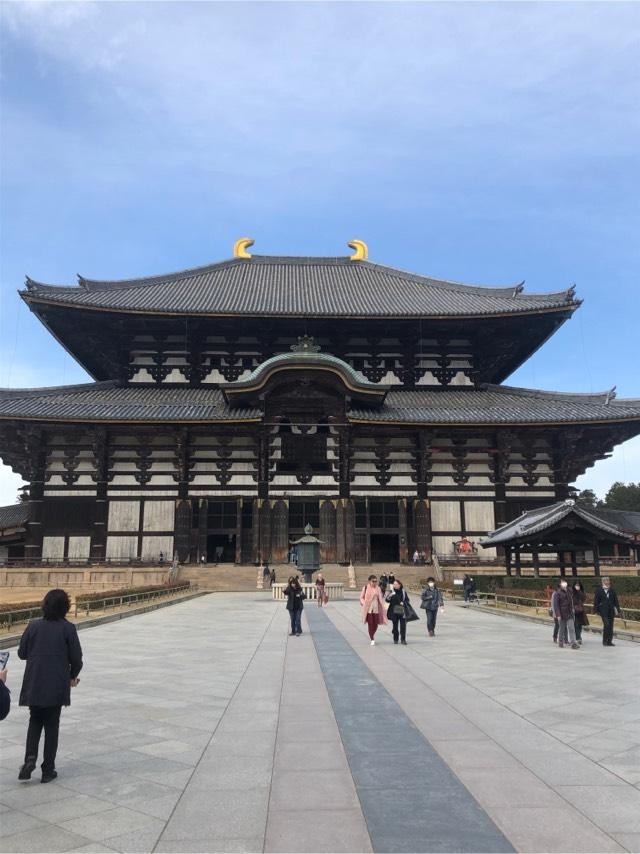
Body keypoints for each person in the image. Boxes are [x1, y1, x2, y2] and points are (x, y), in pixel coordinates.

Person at [17, 589, 83, 783]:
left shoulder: (33, 626)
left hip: (35, 680)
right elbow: (77, 659)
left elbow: (22, 653)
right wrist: (72, 676)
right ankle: (48, 769)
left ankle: (30, 758)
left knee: (35, 720)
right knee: (52, 725)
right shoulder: (68, 628)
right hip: (56, 682)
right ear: (66, 607)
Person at [593, 577, 622, 647]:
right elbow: (596, 601)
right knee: (606, 625)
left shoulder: (612, 590)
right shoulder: (599, 590)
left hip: (611, 611)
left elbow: (616, 601)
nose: (607, 582)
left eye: (608, 581)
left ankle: (609, 641)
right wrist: (596, 610)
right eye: (605, 581)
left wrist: (618, 610)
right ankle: (604, 640)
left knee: (611, 626)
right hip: (603, 611)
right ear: (602, 582)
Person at [360, 575, 387, 646]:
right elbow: (361, 598)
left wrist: (383, 606)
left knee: (375, 624)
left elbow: (380, 598)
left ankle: (372, 634)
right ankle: (372, 638)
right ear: (369, 581)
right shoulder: (365, 588)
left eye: (376, 581)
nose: (374, 583)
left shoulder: (378, 588)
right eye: (373, 581)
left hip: (376, 609)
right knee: (370, 624)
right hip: (368, 609)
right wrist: (364, 603)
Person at [553, 579, 579, 649]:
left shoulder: (569, 591)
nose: (564, 583)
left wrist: (572, 608)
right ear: (560, 584)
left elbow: (572, 599)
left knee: (571, 628)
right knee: (562, 628)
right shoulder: (557, 593)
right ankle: (561, 641)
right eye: (562, 582)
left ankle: (573, 643)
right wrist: (558, 615)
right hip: (562, 614)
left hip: (569, 613)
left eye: (565, 582)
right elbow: (556, 605)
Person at [385, 579, 411, 645]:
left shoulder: (403, 592)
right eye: (394, 584)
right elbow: (387, 600)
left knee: (403, 626)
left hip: (402, 610)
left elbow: (407, 600)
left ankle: (403, 639)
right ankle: (395, 639)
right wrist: (390, 596)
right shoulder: (392, 592)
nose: (395, 585)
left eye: (396, 584)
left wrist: (403, 602)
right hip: (394, 611)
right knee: (395, 626)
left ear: (400, 585)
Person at [571, 580, 588, 645]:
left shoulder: (582, 592)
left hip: (581, 610)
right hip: (574, 611)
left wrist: (579, 592)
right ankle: (578, 638)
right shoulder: (572, 592)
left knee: (580, 625)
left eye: (578, 585)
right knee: (576, 625)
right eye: (576, 585)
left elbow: (584, 599)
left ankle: (578, 636)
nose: (577, 586)